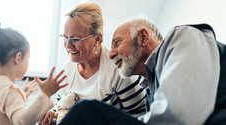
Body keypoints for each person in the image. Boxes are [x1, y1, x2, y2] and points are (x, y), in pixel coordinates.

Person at [59, 15, 226, 125]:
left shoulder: (182, 37)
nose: (110, 54)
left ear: (143, 37)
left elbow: (177, 115)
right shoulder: (150, 92)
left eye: (117, 43)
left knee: (86, 112)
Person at [38, 2, 146, 125]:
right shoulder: (66, 70)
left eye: (75, 39)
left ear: (97, 39)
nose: (68, 45)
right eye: (65, 38)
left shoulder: (118, 68)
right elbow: (60, 113)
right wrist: (49, 122)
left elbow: (140, 117)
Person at [0, 20, 68, 125]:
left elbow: (5, 114)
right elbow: (21, 121)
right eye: (27, 57)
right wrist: (46, 93)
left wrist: (22, 95)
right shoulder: (10, 91)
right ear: (18, 57)